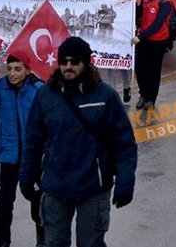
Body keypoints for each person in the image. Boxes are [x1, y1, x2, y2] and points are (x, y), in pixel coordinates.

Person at [20, 37, 137, 247]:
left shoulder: (106, 96)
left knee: (90, 243)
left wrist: (125, 182)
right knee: (53, 242)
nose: (68, 66)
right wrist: (27, 177)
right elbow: (33, 140)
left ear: (86, 62)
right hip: (56, 184)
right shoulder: (46, 96)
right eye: (63, 61)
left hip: (93, 185)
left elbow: (124, 143)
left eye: (74, 62)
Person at [0, 55, 45, 247]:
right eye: (10, 68)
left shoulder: (38, 89)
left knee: (37, 197)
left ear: (27, 70)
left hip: (33, 157)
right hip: (9, 154)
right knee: (5, 200)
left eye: (17, 69)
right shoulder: (0, 87)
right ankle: (2, 241)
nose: (12, 73)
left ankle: (43, 238)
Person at [132, 0, 176, 109]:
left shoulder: (165, 2)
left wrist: (140, 36)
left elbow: (157, 24)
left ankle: (151, 99)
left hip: (158, 41)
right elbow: (138, 13)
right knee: (140, 68)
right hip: (144, 39)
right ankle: (143, 94)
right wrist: (130, 3)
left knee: (153, 70)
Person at [104, 0, 133, 103]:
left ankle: (127, 88)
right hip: (108, 35)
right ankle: (111, 89)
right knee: (108, 63)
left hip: (123, 35)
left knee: (123, 63)